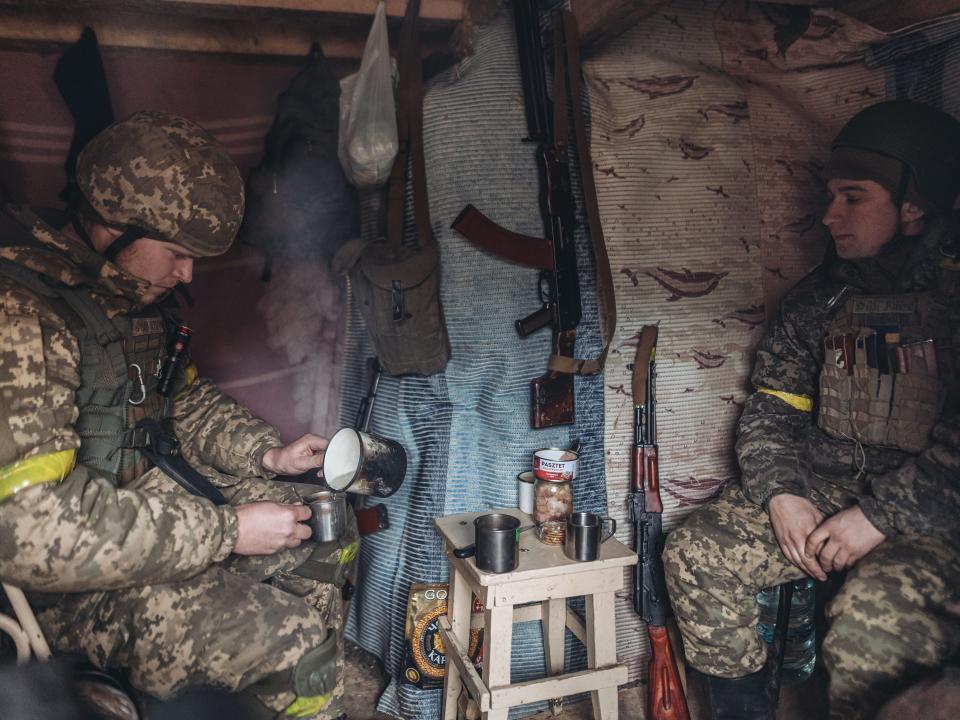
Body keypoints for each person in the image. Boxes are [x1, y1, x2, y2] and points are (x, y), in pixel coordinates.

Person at [0, 111, 357, 720]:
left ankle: (235, 700)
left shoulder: (127, 294)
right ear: (111, 225)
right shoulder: (23, 315)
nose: (188, 273)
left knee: (325, 532)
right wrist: (226, 531)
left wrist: (264, 453)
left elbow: (178, 400)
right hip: (65, 587)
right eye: (176, 253)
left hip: (146, 514)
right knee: (294, 643)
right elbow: (30, 533)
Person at [663, 99, 960, 720]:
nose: (829, 216)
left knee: (867, 621)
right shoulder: (820, 300)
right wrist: (781, 494)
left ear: (914, 207)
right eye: (830, 195)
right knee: (696, 552)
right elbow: (774, 406)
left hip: (933, 517)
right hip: (827, 493)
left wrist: (876, 517)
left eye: (853, 197)